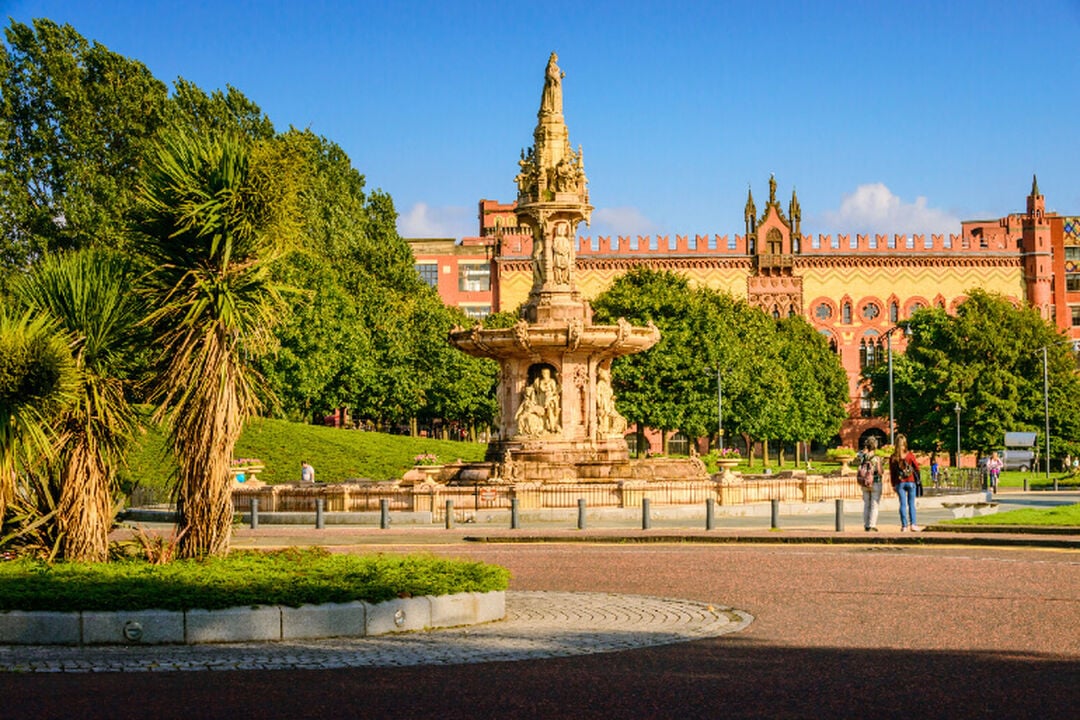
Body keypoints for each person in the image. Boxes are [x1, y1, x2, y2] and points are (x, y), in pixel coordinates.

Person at [889, 434, 920, 531]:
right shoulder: (909, 455)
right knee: (911, 503)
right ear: (905, 444)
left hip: (900, 482)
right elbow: (917, 467)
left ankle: (904, 526)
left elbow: (892, 472)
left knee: (902, 504)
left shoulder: (893, 457)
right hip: (910, 481)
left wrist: (893, 484)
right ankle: (913, 524)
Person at [857, 436, 883, 531]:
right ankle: (872, 525)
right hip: (875, 482)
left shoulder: (862, 457)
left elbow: (859, 455)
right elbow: (880, 471)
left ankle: (866, 525)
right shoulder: (876, 458)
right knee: (874, 504)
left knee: (866, 504)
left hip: (864, 482)